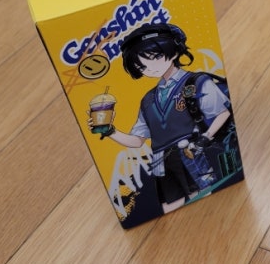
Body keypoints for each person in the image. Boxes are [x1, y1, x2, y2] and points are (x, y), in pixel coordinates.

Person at [91, 23, 232, 213]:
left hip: (191, 152)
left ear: (174, 52)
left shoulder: (196, 82)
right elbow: (137, 141)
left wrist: (205, 138)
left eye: (155, 58)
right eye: (141, 66)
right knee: (169, 207)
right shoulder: (148, 100)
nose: (149, 68)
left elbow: (222, 113)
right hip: (160, 162)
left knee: (205, 199)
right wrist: (110, 131)